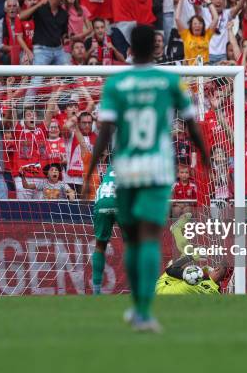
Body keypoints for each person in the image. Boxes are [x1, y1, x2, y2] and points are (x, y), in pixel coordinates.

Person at [83, 24, 210, 332]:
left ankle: (135, 309)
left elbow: (105, 132)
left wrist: (90, 171)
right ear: (156, 49)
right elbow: (191, 123)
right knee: (150, 237)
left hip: (126, 168)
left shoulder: (118, 83)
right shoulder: (169, 81)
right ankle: (144, 311)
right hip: (157, 167)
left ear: (128, 50)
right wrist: (204, 155)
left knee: (132, 240)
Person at [91, 164, 117, 295]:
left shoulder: (110, 167)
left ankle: (96, 292)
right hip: (120, 200)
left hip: (102, 200)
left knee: (100, 246)